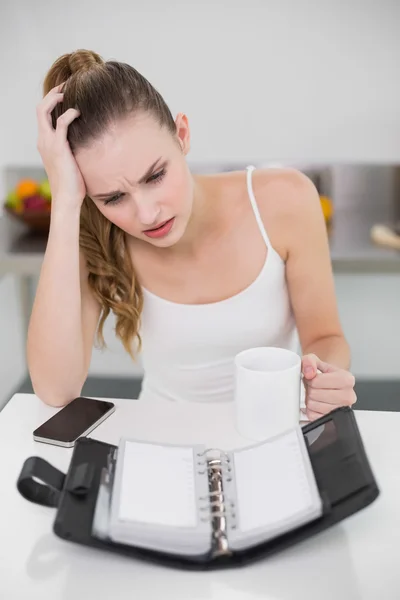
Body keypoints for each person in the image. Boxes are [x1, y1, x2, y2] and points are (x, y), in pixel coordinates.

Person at [27, 49, 357, 421]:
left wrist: (324, 378)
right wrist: (67, 201)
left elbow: (326, 337)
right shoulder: (102, 236)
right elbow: (55, 389)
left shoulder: (286, 199)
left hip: (275, 425)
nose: (147, 214)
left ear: (182, 134)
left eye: (155, 176)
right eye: (114, 197)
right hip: (164, 435)